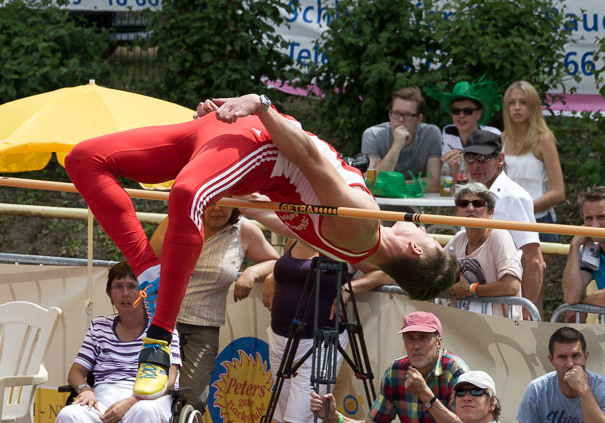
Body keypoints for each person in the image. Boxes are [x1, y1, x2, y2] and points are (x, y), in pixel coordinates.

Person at [65, 92, 458, 400]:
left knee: (185, 192)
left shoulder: (357, 231)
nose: (422, 230)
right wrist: (247, 112)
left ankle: (159, 339)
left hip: (258, 146)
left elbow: (304, 161)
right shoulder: (348, 247)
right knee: (84, 159)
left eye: (426, 236)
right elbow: (280, 196)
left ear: (416, 251)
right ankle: (150, 272)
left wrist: (259, 104)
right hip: (244, 136)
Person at [149, 203, 278, 412]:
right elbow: (147, 261)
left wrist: (252, 272)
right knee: (150, 389)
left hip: (203, 327)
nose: (218, 209)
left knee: (194, 398)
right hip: (162, 321)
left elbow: (275, 261)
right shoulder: (178, 220)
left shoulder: (243, 230)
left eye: (226, 202)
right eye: (213, 202)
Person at [54, 262, 181, 423]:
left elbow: (170, 379)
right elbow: (76, 372)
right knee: (68, 416)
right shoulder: (99, 326)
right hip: (103, 397)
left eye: (132, 286)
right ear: (109, 293)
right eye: (118, 286)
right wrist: (86, 390)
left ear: (144, 292)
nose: (125, 293)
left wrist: (131, 401)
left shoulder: (163, 330)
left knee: (143, 413)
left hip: (147, 398)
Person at [310, 311, 468, 423]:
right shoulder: (395, 372)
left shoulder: (456, 370)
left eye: (424, 338)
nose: (416, 346)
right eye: (410, 339)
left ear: (439, 342)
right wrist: (334, 417)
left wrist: (425, 395)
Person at [263, 239, 350, 423]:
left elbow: (384, 271)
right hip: (281, 339)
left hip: (320, 342)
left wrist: (348, 289)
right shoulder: (299, 232)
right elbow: (288, 268)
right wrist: (271, 276)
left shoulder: (346, 237)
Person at [462, 129, 545, 319]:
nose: (475, 165)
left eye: (482, 158)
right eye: (469, 157)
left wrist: (525, 312)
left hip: (505, 308)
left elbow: (535, 262)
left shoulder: (514, 197)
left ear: (500, 159)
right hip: (474, 304)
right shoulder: (468, 194)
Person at [515, 327, 605, 423]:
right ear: (551, 360)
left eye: (576, 356)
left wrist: (584, 390)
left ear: (585, 356)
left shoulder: (601, 388)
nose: (570, 364)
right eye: (562, 357)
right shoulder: (538, 389)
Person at [443, 182, 522, 318]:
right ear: (457, 212)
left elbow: (511, 286)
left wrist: (471, 290)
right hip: (465, 326)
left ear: (490, 212)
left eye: (477, 203)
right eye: (463, 204)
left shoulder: (499, 236)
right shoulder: (459, 239)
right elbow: (437, 275)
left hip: (500, 328)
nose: (470, 208)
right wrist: (449, 280)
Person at [501, 80, 565, 243]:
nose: (517, 107)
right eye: (512, 103)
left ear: (534, 106)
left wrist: (523, 209)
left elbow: (558, 192)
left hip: (538, 221)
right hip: (505, 222)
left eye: (523, 102)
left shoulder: (544, 138)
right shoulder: (502, 139)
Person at [361, 86, 442, 193]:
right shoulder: (373, 135)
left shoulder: (431, 134)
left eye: (408, 115)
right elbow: (374, 184)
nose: (400, 119)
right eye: (396, 113)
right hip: (381, 205)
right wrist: (397, 145)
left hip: (416, 203)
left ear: (419, 119)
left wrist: (395, 185)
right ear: (390, 115)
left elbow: (434, 184)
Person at [409, 370, 516, 423]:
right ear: (454, 403)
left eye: (476, 391)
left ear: (492, 403)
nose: (466, 397)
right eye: (461, 392)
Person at [427, 77, 502, 177]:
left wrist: (465, 158)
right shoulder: (448, 132)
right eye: (456, 111)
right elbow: (448, 172)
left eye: (467, 111)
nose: (461, 115)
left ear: (478, 114)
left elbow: (495, 172)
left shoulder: (493, 134)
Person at [563, 186, 605, 307]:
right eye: (589, 219)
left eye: (602, 217)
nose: (594, 225)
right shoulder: (592, 249)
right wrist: (574, 246)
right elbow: (571, 296)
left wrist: (583, 303)